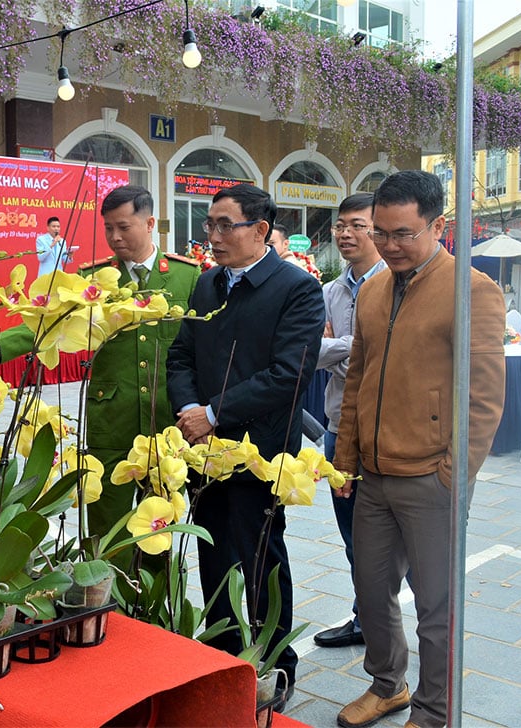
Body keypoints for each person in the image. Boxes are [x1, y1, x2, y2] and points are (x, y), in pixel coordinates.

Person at [333, 171, 505, 728]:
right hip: (375, 476)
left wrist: (456, 472)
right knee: (370, 589)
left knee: (436, 605)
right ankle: (388, 686)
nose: (388, 245)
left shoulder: (472, 289)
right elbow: (358, 377)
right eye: (381, 232)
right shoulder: (376, 288)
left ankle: (435, 710)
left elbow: (484, 394)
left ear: (438, 226)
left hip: (433, 476)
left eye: (403, 233)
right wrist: (346, 460)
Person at [0, 185, 200, 538]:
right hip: (111, 420)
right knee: (104, 528)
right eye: (108, 228)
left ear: (150, 223)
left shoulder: (187, 276)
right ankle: (107, 595)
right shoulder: (92, 280)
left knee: (159, 530)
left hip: (166, 421)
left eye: (124, 226)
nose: (114, 237)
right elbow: (48, 322)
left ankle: (153, 596)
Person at [166, 183, 325, 707]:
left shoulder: (295, 287)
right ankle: (222, 653)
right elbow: (181, 356)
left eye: (223, 225)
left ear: (260, 230)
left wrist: (214, 413)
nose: (211, 236)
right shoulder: (207, 285)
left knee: (260, 557)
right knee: (212, 553)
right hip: (203, 450)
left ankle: (273, 665)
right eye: (209, 225)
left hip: (259, 451)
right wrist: (190, 414)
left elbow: (289, 375)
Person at [311, 193, 387, 649]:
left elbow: (377, 354)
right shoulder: (330, 291)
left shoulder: (395, 284)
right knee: (353, 537)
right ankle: (365, 618)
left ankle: (425, 627)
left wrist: (340, 346)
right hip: (339, 429)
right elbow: (309, 351)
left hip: (383, 431)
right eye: (341, 225)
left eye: (357, 225)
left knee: (399, 543)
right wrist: (351, 347)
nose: (345, 234)